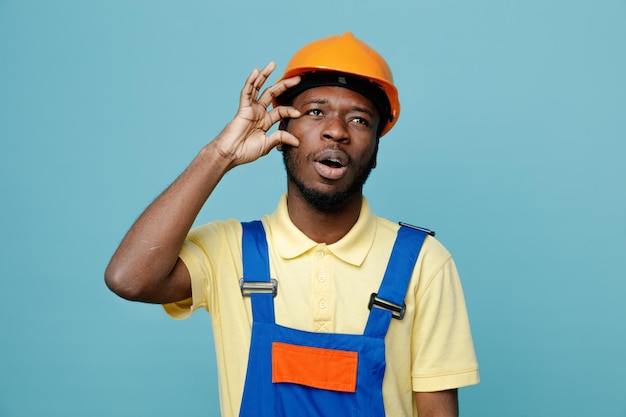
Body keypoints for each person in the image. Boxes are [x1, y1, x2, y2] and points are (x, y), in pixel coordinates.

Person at [105, 32, 479, 417]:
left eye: (359, 119)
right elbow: (129, 278)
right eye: (316, 112)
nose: (337, 130)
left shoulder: (423, 264)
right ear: (282, 136)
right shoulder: (230, 251)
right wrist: (220, 154)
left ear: (375, 152)